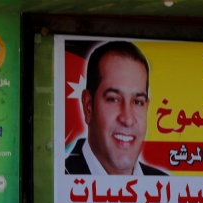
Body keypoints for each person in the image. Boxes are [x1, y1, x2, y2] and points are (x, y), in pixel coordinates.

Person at [65, 41, 167, 176]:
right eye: (113, 99)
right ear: (88, 106)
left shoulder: (163, 183)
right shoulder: (58, 179)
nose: (127, 119)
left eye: (137, 102)